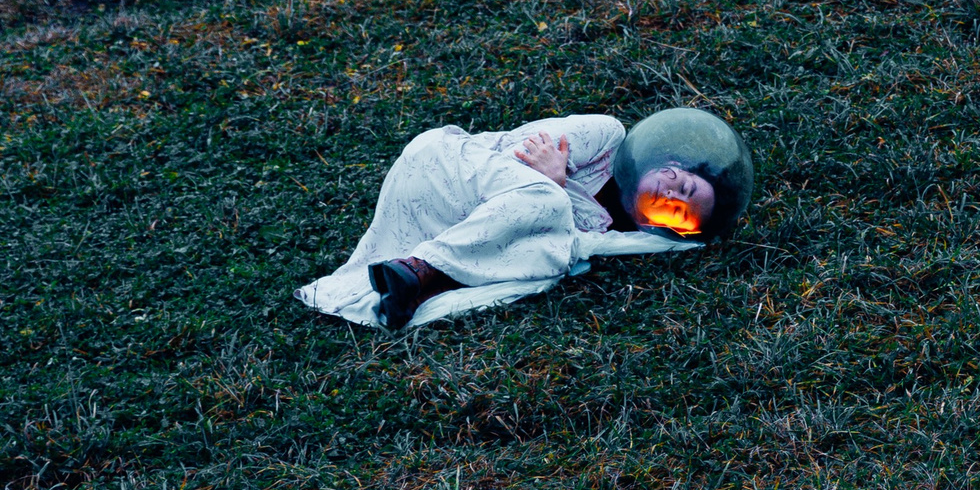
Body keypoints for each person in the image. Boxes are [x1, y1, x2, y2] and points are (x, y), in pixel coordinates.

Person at [296, 107, 755, 330]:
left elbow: (541, 241)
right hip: (446, 173)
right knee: (549, 209)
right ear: (670, 160)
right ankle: (421, 272)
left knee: (552, 257)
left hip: (476, 219)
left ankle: (414, 286)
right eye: (682, 183)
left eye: (678, 207)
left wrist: (553, 195)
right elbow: (513, 153)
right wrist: (554, 184)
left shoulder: (611, 232)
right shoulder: (607, 136)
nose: (671, 192)